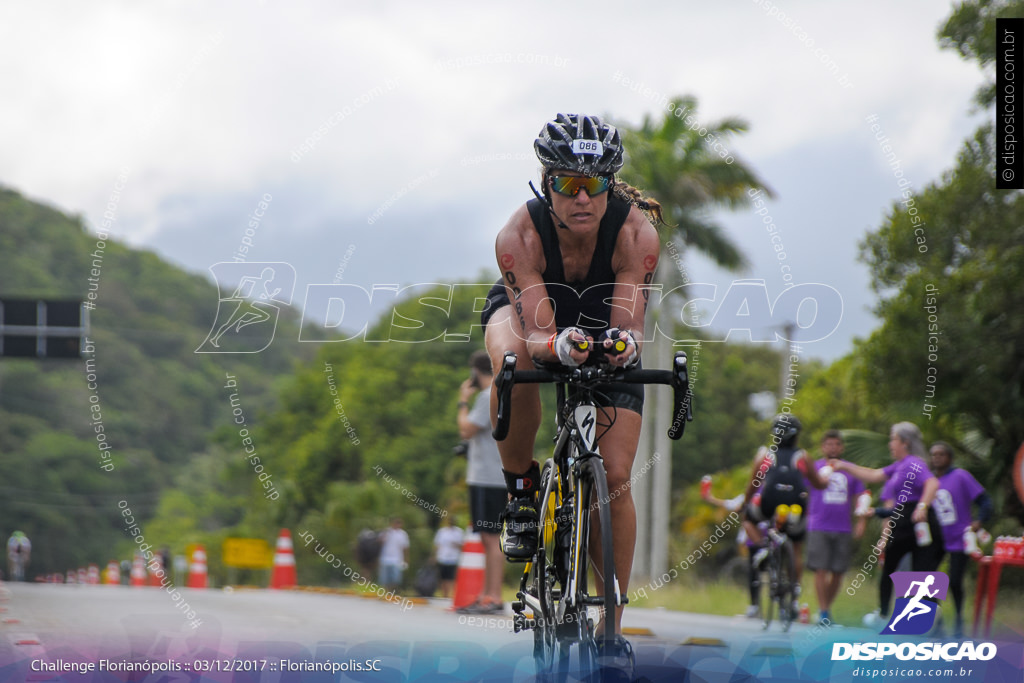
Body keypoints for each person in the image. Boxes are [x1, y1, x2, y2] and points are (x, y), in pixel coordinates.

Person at [480, 113, 663, 663]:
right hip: (531, 316)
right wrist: (555, 346)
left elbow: (630, 327)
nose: (581, 198)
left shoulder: (636, 233)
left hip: (602, 319)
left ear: (611, 184)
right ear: (546, 182)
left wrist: (624, 347)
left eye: (595, 185)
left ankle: (611, 626)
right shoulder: (518, 235)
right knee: (514, 363)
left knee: (616, 477)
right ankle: (520, 492)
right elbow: (539, 333)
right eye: (567, 184)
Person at [831, 421, 943, 628]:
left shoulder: (913, 463)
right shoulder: (899, 466)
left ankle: (930, 619)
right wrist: (844, 465)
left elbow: (932, 483)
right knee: (890, 567)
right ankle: (884, 615)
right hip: (901, 520)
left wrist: (922, 506)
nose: (890, 443)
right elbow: (873, 475)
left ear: (905, 442)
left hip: (917, 521)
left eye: (893, 439)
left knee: (922, 573)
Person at [741, 415, 828, 604]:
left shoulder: (765, 455)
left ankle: (762, 547)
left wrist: (744, 504)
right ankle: (795, 592)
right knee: (796, 548)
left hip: (769, 502)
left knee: (748, 519)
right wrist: (826, 479)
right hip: (796, 505)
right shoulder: (803, 456)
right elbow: (818, 483)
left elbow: (753, 485)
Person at [455, 350, 505, 614]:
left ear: (476, 371)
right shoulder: (494, 394)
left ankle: (494, 597)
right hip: (487, 477)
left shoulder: (487, 397)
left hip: (489, 478)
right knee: (487, 537)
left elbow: (465, 429)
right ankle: (487, 594)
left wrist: (463, 402)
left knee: (491, 537)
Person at [928, 440, 993, 637]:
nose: (937, 458)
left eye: (941, 454)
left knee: (955, 580)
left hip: (960, 537)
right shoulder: (930, 481)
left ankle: (958, 622)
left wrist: (979, 522)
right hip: (937, 537)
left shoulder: (960, 476)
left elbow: (985, 501)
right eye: (933, 454)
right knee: (927, 579)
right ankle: (935, 623)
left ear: (950, 458)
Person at [804, 430, 866, 625]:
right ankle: (824, 612)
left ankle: (825, 609)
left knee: (838, 571)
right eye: (829, 444)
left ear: (842, 447)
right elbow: (803, 492)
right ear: (823, 447)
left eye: (837, 444)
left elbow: (861, 497)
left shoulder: (850, 470)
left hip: (843, 527)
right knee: (820, 569)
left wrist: (861, 521)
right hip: (819, 525)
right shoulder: (814, 468)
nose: (833, 447)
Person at [700, 478, 763, 618]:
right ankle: (754, 605)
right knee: (754, 573)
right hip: (753, 541)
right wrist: (710, 498)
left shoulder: (770, 492)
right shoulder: (749, 496)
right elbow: (732, 505)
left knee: (757, 572)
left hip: (767, 538)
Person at [432, 516, 463, 599]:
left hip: (453, 558)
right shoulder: (442, 532)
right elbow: (437, 545)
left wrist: (456, 544)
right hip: (442, 557)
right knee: (443, 577)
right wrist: (434, 556)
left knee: (451, 578)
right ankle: (444, 594)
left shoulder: (459, 532)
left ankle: (450, 594)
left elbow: (463, 545)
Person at [377, 517, 409, 591]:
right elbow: (379, 542)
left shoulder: (403, 534)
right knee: (385, 578)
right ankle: (386, 592)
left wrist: (406, 559)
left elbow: (405, 548)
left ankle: (392, 591)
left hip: (397, 559)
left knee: (395, 578)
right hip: (385, 559)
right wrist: (385, 533)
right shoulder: (387, 532)